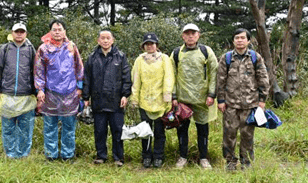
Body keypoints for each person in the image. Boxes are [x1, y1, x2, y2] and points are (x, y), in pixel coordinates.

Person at [217, 28, 269, 171]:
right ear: (233, 41)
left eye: (242, 38)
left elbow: (263, 78)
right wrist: (220, 100)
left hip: (250, 104)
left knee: (247, 135)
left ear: (248, 40)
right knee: (229, 134)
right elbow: (220, 81)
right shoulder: (226, 58)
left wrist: (262, 100)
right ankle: (230, 162)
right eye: (236, 38)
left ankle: (246, 163)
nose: (239, 40)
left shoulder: (255, 57)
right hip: (230, 104)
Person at [34, 19, 84, 162]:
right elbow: (39, 70)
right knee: (50, 125)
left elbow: (79, 67)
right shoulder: (43, 49)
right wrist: (40, 89)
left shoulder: (71, 47)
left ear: (64, 31)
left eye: (60, 29)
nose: (57, 32)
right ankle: (51, 154)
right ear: (50, 31)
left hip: (70, 92)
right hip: (50, 93)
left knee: (69, 126)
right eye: (54, 29)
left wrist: (80, 87)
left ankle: (68, 155)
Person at [171, 23, 218, 169]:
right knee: (182, 130)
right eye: (187, 33)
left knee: (202, 130)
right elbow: (171, 75)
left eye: (193, 33)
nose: (190, 36)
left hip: (202, 99)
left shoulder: (206, 51)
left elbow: (214, 72)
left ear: (198, 35)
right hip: (183, 99)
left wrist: (211, 94)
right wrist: (173, 96)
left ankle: (203, 157)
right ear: (183, 36)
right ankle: (182, 157)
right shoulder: (177, 53)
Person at [82, 30, 132, 167]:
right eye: (102, 38)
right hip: (98, 101)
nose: (105, 41)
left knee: (117, 130)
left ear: (113, 40)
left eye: (108, 38)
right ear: (98, 40)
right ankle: (101, 156)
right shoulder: (92, 58)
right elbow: (86, 78)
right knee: (99, 130)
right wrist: (86, 97)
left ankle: (118, 157)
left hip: (116, 101)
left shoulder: (120, 57)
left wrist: (125, 95)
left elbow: (126, 78)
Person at [0, 22, 37, 158]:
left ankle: (23, 154)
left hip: (26, 95)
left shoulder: (30, 49)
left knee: (25, 128)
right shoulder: (5, 49)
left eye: (21, 32)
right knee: (8, 127)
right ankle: (10, 153)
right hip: (7, 93)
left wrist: (36, 92)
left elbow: (36, 71)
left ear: (26, 34)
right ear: (12, 33)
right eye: (16, 31)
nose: (19, 34)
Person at [131, 32, 174, 168]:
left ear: (157, 45)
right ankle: (146, 156)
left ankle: (158, 156)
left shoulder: (164, 59)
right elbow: (136, 79)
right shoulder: (139, 60)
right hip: (144, 101)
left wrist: (167, 97)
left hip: (160, 101)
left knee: (159, 131)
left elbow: (168, 77)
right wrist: (135, 98)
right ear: (143, 46)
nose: (150, 46)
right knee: (145, 131)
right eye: (147, 44)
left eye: (152, 44)